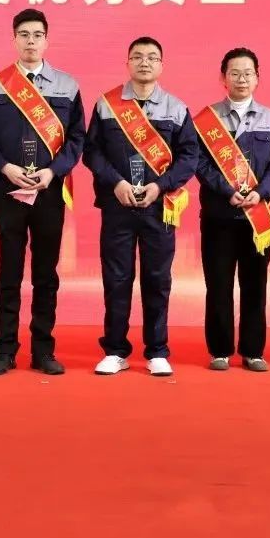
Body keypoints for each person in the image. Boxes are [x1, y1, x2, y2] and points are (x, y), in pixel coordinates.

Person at [0, 8, 85, 376]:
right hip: (7, 189)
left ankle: (43, 350)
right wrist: (6, 168)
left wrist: (53, 172)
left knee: (45, 273)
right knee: (9, 271)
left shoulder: (67, 86)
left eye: (37, 35)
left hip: (49, 190)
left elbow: (77, 139)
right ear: (14, 39)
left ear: (46, 40)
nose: (30, 41)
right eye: (24, 34)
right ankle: (5, 350)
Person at [83, 37, 199, 377]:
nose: (144, 62)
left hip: (159, 207)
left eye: (151, 57)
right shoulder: (107, 105)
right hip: (117, 204)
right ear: (127, 63)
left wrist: (160, 186)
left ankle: (157, 350)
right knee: (116, 278)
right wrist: (116, 183)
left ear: (161, 65)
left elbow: (189, 156)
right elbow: (92, 152)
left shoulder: (176, 108)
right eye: (137, 56)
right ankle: (115, 350)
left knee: (157, 279)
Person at [193, 48, 270, 372]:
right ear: (223, 78)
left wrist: (260, 192)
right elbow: (199, 163)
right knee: (218, 285)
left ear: (257, 78)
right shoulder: (206, 119)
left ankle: (253, 351)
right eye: (234, 73)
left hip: (257, 218)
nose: (242, 79)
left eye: (248, 73)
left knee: (255, 285)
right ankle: (219, 350)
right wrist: (226, 190)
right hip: (219, 216)